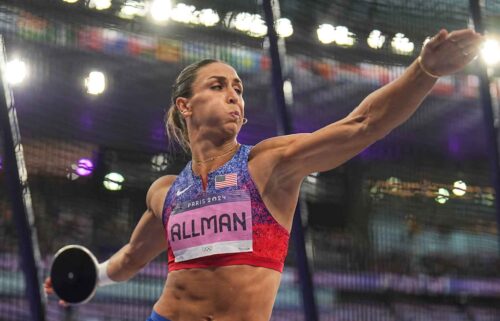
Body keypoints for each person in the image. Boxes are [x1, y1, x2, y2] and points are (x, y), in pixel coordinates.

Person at [45, 28, 483, 321]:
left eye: (238, 88)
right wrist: (86, 278)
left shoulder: (268, 165)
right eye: (218, 86)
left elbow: (360, 125)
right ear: (186, 106)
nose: (234, 95)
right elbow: (130, 259)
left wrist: (424, 71)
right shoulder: (165, 192)